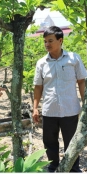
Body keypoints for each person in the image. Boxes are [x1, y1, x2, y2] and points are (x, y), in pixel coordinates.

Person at [33, 26, 87, 172]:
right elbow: (38, 86)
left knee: (72, 142)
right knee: (49, 142)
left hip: (70, 109)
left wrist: (85, 102)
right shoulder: (41, 63)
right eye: (45, 41)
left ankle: (73, 169)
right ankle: (53, 166)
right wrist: (35, 108)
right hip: (49, 109)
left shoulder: (73, 58)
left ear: (60, 40)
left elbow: (81, 81)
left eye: (50, 41)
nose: (47, 44)